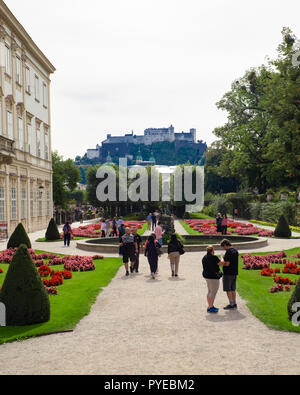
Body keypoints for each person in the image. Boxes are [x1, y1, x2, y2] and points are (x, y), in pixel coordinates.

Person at [219, 239, 239, 310]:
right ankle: (234, 303)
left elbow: (227, 264)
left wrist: (221, 259)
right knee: (233, 289)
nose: (223, 248)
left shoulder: (228, 252)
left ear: (225, 245)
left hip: (228, 273)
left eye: (223, 247)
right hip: (234, 272)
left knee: (228, 289)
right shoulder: (235, 251)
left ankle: (231, 304)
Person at [202, 246, 222, 314]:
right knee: (213, 292)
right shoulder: (214, 257)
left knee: (210, 291)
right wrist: (222, 258)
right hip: (213, 276)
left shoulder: (204, 257)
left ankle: (210, 306)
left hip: (207, 276)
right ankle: (210, 307)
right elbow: (221, 263)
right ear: (212, 250)